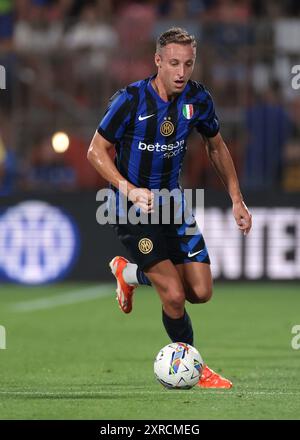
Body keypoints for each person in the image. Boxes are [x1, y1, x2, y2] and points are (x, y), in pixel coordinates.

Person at [87, 27, 252, 388]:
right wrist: (129, 191)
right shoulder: (129, 100)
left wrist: (237, 199)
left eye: (188, 64)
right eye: (174, 63)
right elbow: (95, 151)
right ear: (157, 61)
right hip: (130, 208)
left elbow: (216, 147)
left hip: (173, 204)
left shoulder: (198, 100)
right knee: (174, 296)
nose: (181, 72)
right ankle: (191, 366)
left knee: (201, 292)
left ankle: (128, 274)